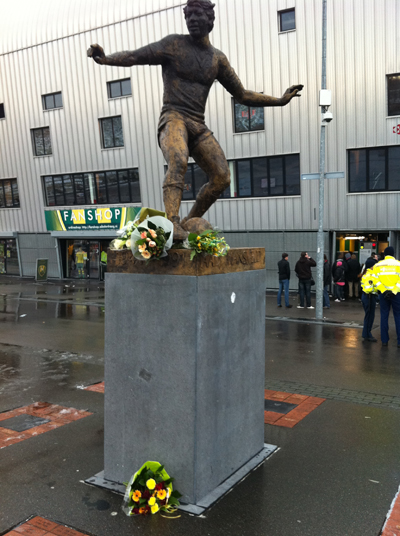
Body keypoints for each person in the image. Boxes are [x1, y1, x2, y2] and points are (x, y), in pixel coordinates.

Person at [88, 0, 303, 239]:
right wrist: (106, 59)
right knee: (178, 161)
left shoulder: (217, 59)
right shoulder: (174, 44)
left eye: (197, 15)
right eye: (188, 16)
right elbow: (136, 56)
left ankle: (189, 221)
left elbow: (242, 94)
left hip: (197, 124)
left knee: (222, 177)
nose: (192, 20)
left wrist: (280, 100)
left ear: (210, 19)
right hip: (173, 117)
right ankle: (172, 223)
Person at [361, 246, 400, 347]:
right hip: (396, 294)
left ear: (385, 254)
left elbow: (375, 280)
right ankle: (399, 342)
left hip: (383, 295)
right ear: (393, 254)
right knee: (398, 316)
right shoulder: (398, 264)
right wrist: (394, 290)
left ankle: (384, 340)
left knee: (384, 316)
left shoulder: (378, 265)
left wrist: (384, 290)